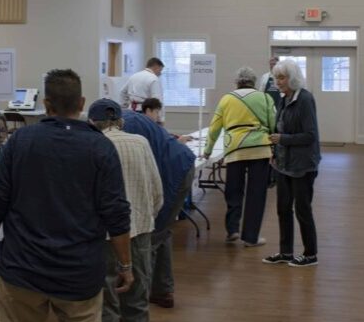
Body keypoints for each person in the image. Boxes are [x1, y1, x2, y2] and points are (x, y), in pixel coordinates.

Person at [0, 69, 132, 322]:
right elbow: (116, 214)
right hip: (79, 273)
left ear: (45, 104)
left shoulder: (20, 142)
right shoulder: (99, 147)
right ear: (81, 104)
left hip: (22, 271)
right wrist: (125, 265)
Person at [88, 98, 163, 322]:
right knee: (138, 298)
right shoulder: (141, 142)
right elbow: (157, 192)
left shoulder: (93, 146)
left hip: (105, 236)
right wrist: (144, 218)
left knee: (105, 303)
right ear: (120, 120)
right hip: (140, 231)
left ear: (93, 123)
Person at [120, 109, 195, 309]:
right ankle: (162, 291)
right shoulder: (131, 119)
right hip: (182, 166)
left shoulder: (124, 128)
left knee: (149, 235)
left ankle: (135, 301)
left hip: (173, 172)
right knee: (161, 231)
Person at [204, 66, 276, 247]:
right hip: (260, 148)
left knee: (233, 190)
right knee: (256, 193)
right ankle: (251, 237)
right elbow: (274, 123)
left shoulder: (226, 99)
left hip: (234, 149)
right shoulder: (265, 97)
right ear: (254, 81)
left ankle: (232, 230)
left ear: (237, 82)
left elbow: (214, 127)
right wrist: (274, 146)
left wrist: (208, 150)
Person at [263, 59, 321, 268]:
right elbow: (280, 128)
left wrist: (283, 139)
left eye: (282, 78)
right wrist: (275, 151)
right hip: (283, 163)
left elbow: (310, 135)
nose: (278, 82)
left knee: (302, 209)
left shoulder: (305, 99)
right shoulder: (284, 98)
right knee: (283, 208)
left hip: (303, 165)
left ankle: (310, 254)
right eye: (276, 78)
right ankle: (286, 252)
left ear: (292, 78)